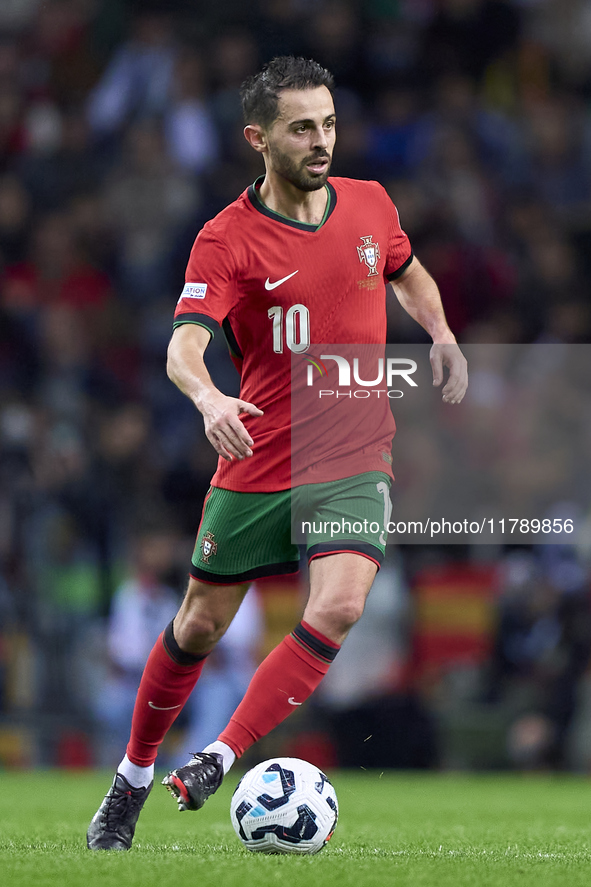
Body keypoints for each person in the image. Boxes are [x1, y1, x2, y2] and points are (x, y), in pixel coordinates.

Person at [87, 55, 467, 851]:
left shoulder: (369, 204)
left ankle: (219, 755)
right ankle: (130, 779)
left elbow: (406, 271)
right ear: (258, 138)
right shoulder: (226, 239)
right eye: (302, 127)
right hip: (260, 459)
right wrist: (209, 396)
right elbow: (183, 346)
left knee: (337, 604)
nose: (321, 140)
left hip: (355, 454)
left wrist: (438, 332)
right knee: (197, 625)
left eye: (328, 123)